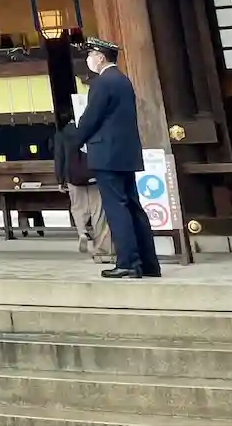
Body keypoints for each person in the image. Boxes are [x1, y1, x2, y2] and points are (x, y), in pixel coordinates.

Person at [66, 38, 161, 279]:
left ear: (100, 57)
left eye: (90, 55)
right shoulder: (123, 80)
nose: (88, 60)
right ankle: (148, 263)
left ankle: (128, 262)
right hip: (125, 154)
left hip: (106, 154)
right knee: (133, 206)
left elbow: (91, 118)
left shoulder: (102, 83)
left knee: (116, 208)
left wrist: (74, 142)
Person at [54, 112, 112, 263]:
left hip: (73, 177)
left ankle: (82, 232)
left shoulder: (62, 134)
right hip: (94, 174)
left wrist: (60, 180)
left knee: (78, 207)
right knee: (98, 212)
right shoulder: (93, 128)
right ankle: (102, 250)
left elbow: (59, 158)